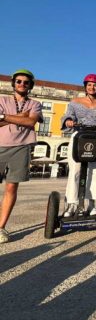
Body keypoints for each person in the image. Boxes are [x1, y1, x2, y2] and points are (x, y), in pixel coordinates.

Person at [0, 69, 43, 243]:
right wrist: (20, 116)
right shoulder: (2, 100)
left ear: (30, 85)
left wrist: (4, 117)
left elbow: (31, 121)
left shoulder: (35, 104)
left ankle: (1, 227)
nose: (22, 84)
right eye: (18, 81)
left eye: (26, 82)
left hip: (22, 147)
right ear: (13, 83)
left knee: (11, 188)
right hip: (0, 144)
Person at [61, 74, 96, 217]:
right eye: (89, 84)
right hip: (79, 135)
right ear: (85, 86)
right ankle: (71, 204)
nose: (92, 87)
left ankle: (92, 204)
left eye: (95, 85)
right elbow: (67, 115)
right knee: (75, 170)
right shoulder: (75, 102)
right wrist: (69, 121)